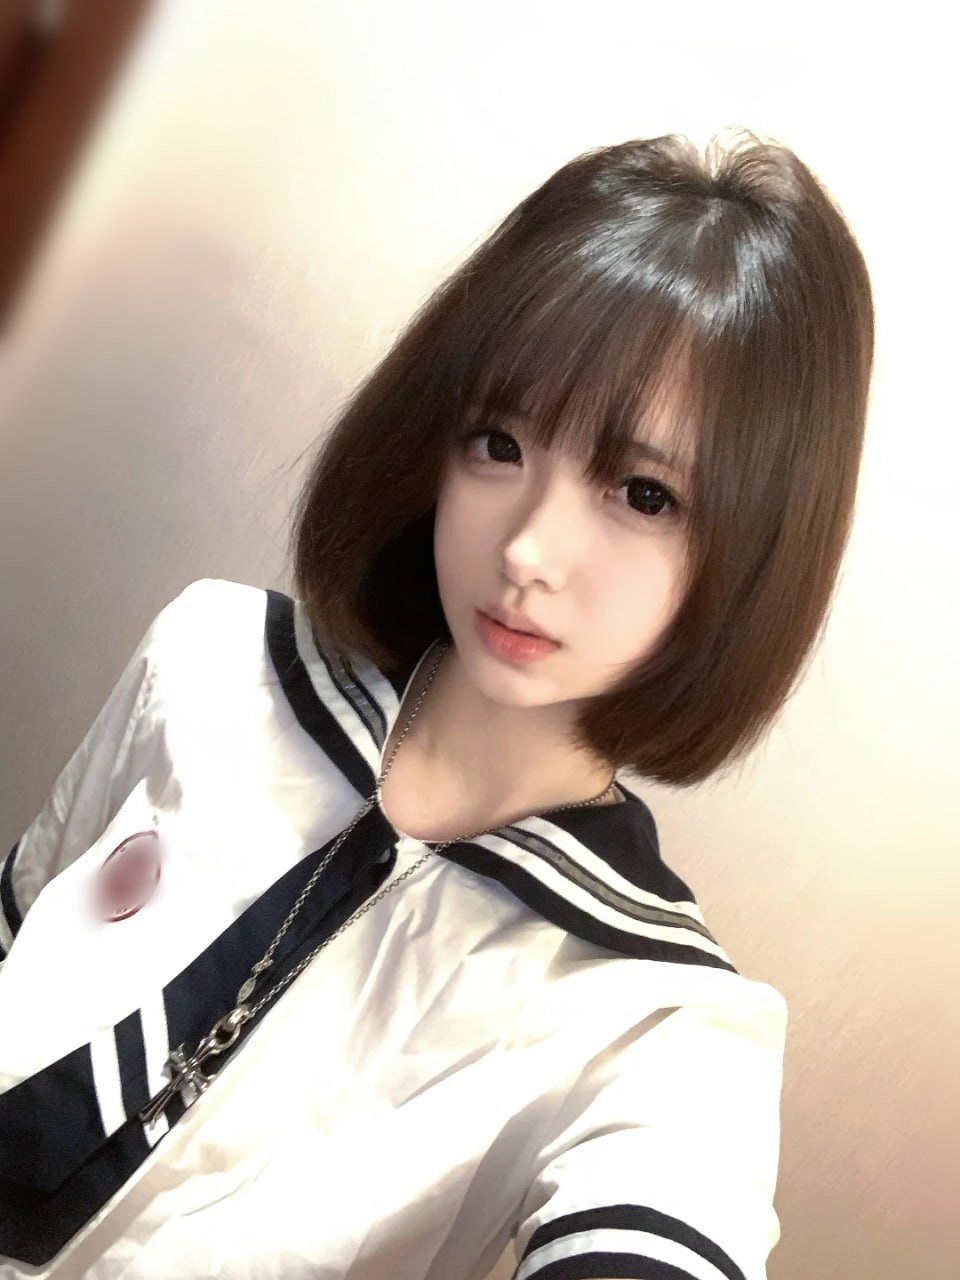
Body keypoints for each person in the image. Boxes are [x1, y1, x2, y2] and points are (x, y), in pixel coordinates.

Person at [0, 130, 874, 1279]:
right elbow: (22, 932)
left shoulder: (657, 1023)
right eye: (500, 442)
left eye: (643, 492)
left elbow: (665, 1215)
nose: (529, 549)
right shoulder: (211, 658)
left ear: (752, 552)